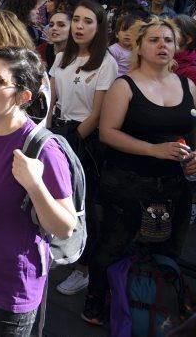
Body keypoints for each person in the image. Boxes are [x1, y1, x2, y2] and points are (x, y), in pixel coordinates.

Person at [0, 47, 75, 336]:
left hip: (9, 290)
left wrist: (35, 185)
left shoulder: (42, 151)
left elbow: (65, 227)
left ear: (23, 97)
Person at [83, 17, 196, 325]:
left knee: (167, 248)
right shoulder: (125, 85)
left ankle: (151, 304)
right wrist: (153, 149)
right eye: (154, 40)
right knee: (112, 247)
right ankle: (96, 302)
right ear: (140, 47)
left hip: (174, 187)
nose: (163, 45)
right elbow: (108, 133)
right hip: (127, 185)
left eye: (168, 40)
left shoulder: (188, 85)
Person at [49, 0, 118, 296]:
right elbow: (50, 98)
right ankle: (59, 248)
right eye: (76, 19)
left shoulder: (107, 63)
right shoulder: (62, 55)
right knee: (55, 194)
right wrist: (47, 131)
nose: (79, 26)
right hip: (58, 131)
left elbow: (98, 112)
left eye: (87, 21)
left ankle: (83, 268)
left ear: (100, 26)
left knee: (83, 203)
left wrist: (72, 142)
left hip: (83, 139)